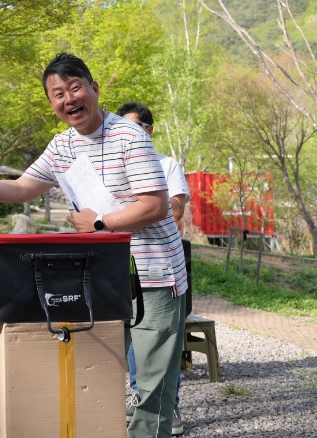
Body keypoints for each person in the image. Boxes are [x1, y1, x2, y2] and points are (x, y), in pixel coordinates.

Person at [0, 53, 188, 438]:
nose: (69, 98)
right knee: (100, 363)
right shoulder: (62, 146)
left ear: (94, 88)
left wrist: (98, 222)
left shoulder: (130, 135)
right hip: (101, 272)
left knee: (153, 376)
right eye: (58, 93)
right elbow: (23, 187)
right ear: (51, 103)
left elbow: (156, 206)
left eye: (75, 87)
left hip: (153, 270)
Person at [118, 102, 190, 437]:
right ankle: (138, 398)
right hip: (118, 268)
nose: (129, 135)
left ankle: (166, 404)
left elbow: (174, 208)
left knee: (159, 345)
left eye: (136, 128)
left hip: (159, 267)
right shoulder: (114, 164)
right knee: (132, 343)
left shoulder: (166, 165)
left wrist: (141, 208)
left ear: (149, 130)